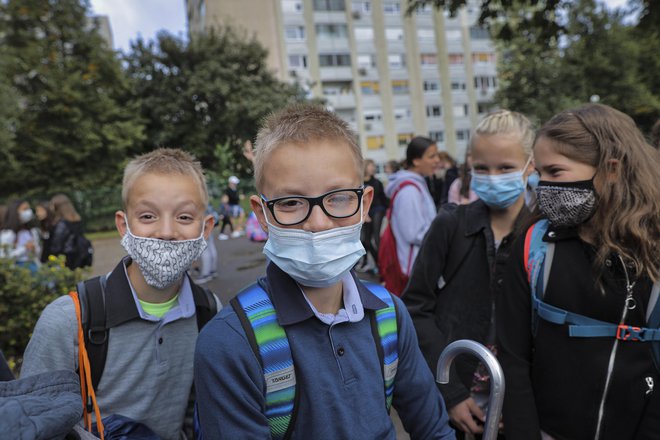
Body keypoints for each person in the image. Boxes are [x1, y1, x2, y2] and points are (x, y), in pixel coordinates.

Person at [194, 104, 455, 439]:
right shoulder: (229, 343)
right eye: (290, 203)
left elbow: (434, 429)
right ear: (261, 213)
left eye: (340, 198)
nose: (318, 223)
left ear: (364, 204)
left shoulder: (390, 314)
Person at [21, 148, 220, 440]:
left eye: (185, 216)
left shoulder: (209, 311)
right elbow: (29, 425)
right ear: (123, 226)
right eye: (148, 215)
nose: (166, 231)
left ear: (206, 229)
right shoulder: (68, 320)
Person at [497, 104, 660, 440]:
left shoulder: (653, 252)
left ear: (611, 170)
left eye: (555, 172)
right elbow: (513, 358)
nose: (543, 186)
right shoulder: (534, 246)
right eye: (539, 173)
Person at [403, 110, 536, 439]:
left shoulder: (544, 234)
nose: (493, 177)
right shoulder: (451, 225)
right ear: (470, 165)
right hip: (457, 400)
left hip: (523, 403)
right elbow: (416, 307)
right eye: (482, 168)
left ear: (530, 166)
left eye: (505, 167)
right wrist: (451, 393)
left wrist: (519, 404)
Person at [383, 136, 440, 287]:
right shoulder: (409, 191)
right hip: (413, 270)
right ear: (416, 161)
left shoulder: (415, 185)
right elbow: (413, 233)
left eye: (437, 155)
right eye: (432, 156)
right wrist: (443, 234)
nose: (437, 160)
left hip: (417, 266)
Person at [357, 158, 387, 273]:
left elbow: (383, 199)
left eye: (374, 166)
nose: (373, 168)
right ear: (365, 167)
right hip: (365, 213)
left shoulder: (377, 182)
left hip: (377, 210)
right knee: (366, 241)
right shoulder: (359, 183)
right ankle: (379, 264)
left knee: (376, 238)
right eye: (371, 165)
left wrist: (389, 211)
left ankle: (382, 266)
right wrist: (365, 213)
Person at [48, 194, 92, 270]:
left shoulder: (61, 224)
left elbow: (56, 245)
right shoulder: (76, 220)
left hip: (66, 258)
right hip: (77, 256)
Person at [0, 199, 41, 269]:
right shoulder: (8, 234)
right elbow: (4, 256)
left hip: (33, 265)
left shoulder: (32, 231)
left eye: (29, 208)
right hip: (17, 268)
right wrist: (24, 248)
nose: (28, 212)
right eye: (25, 209)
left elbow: (37, 251)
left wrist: (34, 249)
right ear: (15, 212)